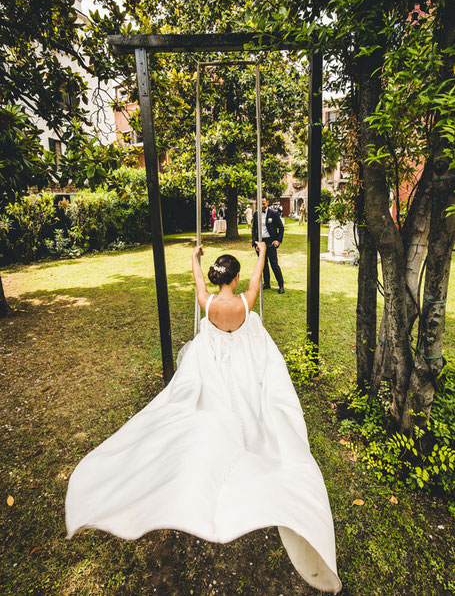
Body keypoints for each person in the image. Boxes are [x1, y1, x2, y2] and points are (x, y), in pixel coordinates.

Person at [65, 245, 341, 594]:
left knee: (205, 403)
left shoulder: (206, 303)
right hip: (243, 366)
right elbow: (257, 279)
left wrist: (194, 259)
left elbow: (198, 281)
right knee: (256, 405)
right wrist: (262, 252)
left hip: (214, 365)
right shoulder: (245, 302)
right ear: (236, 278)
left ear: (216, 277)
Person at [252, 197, 285, 293]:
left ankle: (281, 285)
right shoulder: (256, 214)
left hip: (270, 242)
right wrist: (255, 242)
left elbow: (281, 228)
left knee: (274, 264)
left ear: (267, 203)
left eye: (263, 203)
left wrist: (278, 240)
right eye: (260, 203)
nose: (262, 205)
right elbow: (254, 229)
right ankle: (267, 283)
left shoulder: (273, 213)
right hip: (260, 243)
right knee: (264, 264)